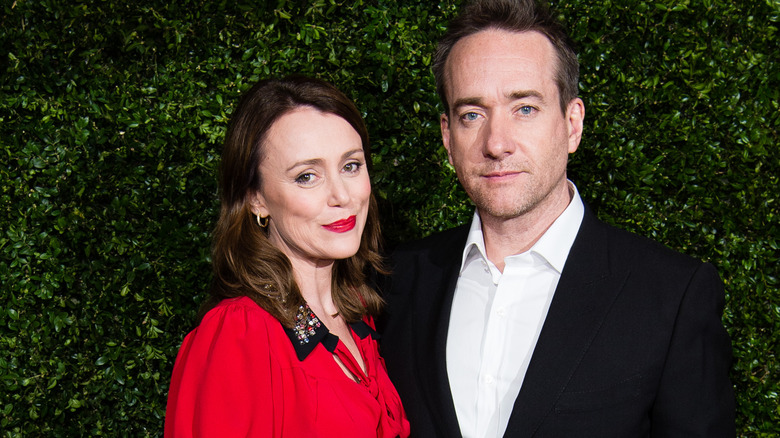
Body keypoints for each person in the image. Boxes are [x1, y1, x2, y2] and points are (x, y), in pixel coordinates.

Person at [378, 0, 735, 436]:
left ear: (572, 124)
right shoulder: (397, 281)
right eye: (472, 114)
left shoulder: (671, 295)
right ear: (448, 138)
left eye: (524, 108)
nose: (497, 143)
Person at [165, 76, 410, 438]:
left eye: (351, 166)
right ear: (256, 199)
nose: (341, 195)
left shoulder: (359, 316)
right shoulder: (239, 335)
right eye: (307, 176)